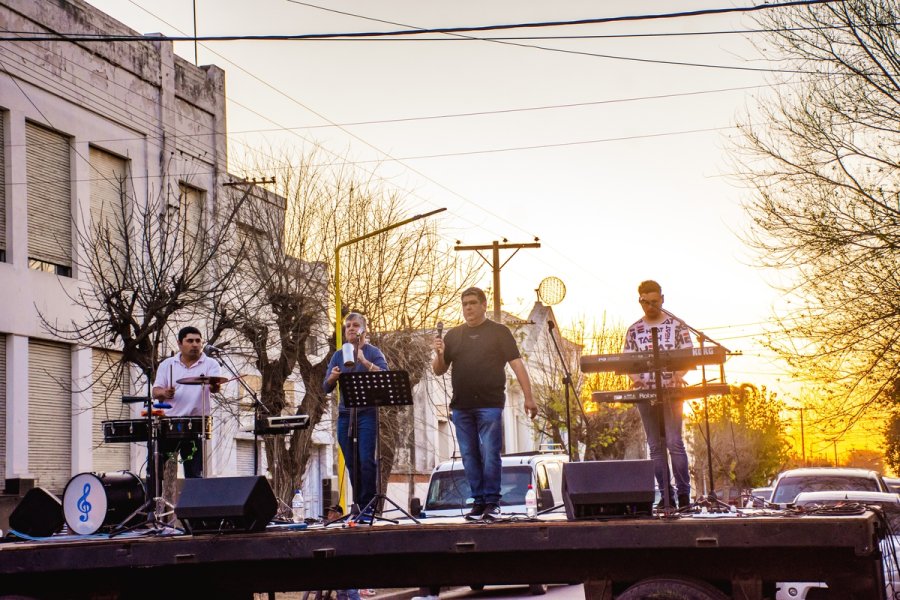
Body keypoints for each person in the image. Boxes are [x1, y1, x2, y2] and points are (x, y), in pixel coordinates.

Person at [432, 287, 538, 522]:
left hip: (490, 403)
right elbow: (439, 370)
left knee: (490, 453)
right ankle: (478, 501)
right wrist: (439, 353)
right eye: (464, 304)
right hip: (461, 406)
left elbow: (517, 364)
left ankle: (492, 501)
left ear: (483, 304)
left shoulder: (498, 332)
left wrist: (529, 397)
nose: (468, 308)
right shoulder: (453, 336)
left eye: (472, 303)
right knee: (469, 455)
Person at [623, 280, 693, 509]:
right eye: (646, 302)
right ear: (640, 302)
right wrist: (637, 382)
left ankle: (684, 495)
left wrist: (677, 374)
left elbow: (689, 356)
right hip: (646, 394)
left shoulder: (677, 325)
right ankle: (666, 495)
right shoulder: (633, 330)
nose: (651, 306)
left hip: (672, 391)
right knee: (654, 446)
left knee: (674, 442)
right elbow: (627, 362)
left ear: (663, 299)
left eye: (655, 301)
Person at [323, 312, 388, 515]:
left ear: (364, 329)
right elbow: (325, 387)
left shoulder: (373, 352)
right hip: (346, 415)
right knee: (352, 462)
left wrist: (364, 361)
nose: (351, 328)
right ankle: (359, 505)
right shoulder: (338, 354)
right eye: (347, 326)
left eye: (355, 325)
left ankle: (369, 505)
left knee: (366, 460)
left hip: (367, 413)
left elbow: (386, 377)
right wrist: (333, 377)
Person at [152, 326, 221, 480]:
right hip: (169, 423)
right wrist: (164, 392)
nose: (195, 344)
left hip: (195, 424)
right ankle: (155, 501)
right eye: (190, 341)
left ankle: (193, 503)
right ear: (179, 343)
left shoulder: (211, 364)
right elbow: (155, 391)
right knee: (156, 470)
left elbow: (215, 387)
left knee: (194, 473)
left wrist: (215, 386)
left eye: (198, 341)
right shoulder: (167, 364)